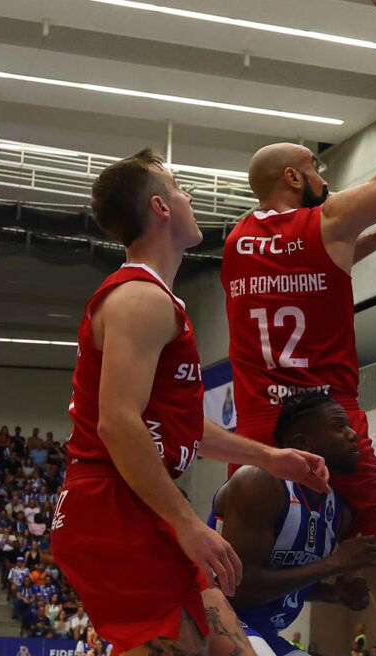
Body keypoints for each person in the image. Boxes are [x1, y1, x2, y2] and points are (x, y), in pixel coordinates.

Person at [221, 0, 376, 656]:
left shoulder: (235, 243)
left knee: (230, 571)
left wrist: (371, 242)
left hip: (262, 434)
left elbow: (298, 277)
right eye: (317, 169)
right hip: (331, 421)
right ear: (295, 176)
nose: (323, 178)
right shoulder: (323, 223)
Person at [51, 148, 331, 656]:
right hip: (113, 504)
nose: (189, 196)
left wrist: (268, 456)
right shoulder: (141, 300)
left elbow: (181, 427)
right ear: (160, 207)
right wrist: (186, 522)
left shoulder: (157, 299)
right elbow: (117, 424)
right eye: (179, 187)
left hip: (134, 501)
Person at [208, 394, 376, 656]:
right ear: (303, 443)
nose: (352, 434)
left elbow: (289, 581)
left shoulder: (339, 512)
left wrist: (334, 594)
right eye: (338, 426)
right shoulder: (259, 482)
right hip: (213, 622)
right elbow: (238, 590)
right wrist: (335, 563)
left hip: (264, 633)